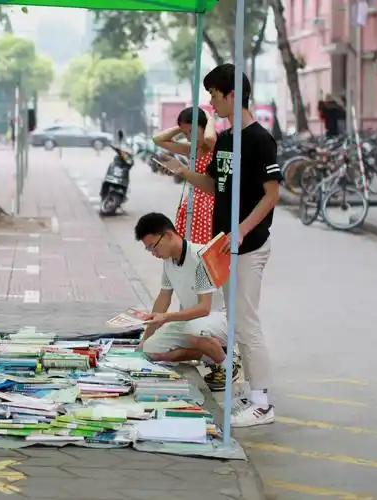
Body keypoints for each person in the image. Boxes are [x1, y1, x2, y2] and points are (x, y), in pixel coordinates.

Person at [164, 64, 281, 428]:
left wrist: (243, 229)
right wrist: (183, 172)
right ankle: (250, 391)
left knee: (246, 323)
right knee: (235, 322)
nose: (211, 103)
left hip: (247, 246)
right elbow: (216, 186)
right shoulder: (227, 141)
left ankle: (262, 402)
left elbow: (272, 195)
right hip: (225, 247)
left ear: (233, 95)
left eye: (215, 95)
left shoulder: (261, 140)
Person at [134, 213, 227, 365]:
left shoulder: (200, 257)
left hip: (218, 319)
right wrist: (145, 339)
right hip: (190, 322)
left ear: (168, 235)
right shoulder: (168, 261)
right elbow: (163, 298)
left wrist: (166, 318)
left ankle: (227, 364)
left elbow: (204, 308)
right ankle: (208, 357)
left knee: (194, 331)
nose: (153, 253)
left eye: (153, 247)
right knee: (150, 350)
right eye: (148, 249)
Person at [153, 107, 216, 244]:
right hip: (192, 205)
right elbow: (158, 140)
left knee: (204, 251)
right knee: (189, 253)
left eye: (193, 131)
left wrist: (210, 118)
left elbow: (210, 137)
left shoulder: (214, 146)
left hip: (210, 207)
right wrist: (181, 128)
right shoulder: (191, 149)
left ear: (204, 126)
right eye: (186, 133)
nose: (189, 137)